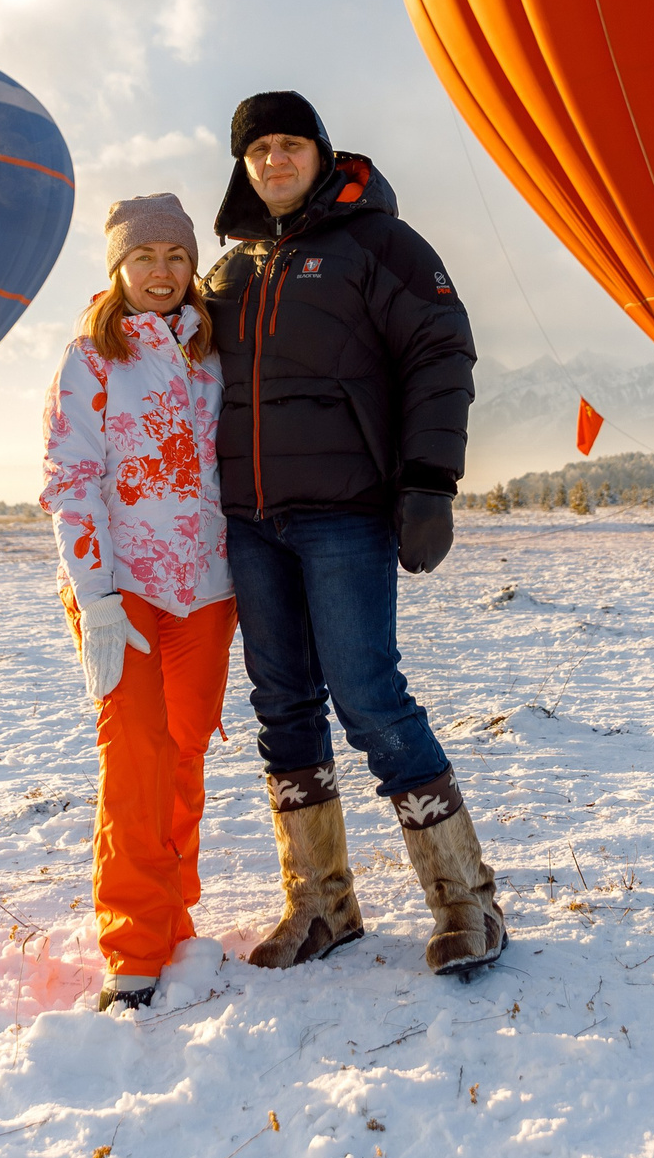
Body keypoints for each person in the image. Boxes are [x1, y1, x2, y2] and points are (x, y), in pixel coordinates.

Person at [203, 91, 501, 978]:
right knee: (281, 705)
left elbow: (441, 351)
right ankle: (322, 903)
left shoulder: (380, 246)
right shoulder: (232, 270)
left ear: (321, 151)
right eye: (258, 151)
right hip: (250, 519)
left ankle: (467, 901)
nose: (274, 162)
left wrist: (427, 482)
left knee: (369, 696)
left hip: (343, 511)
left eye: (290, 144)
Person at [40, 194, 236, 1013]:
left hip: (207, 586)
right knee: (135, 760)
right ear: (117, 267)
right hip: (125, 592)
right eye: (144, 256)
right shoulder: (92, 356)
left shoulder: (212, 353)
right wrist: (99, 597)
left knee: (186, 750)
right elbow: (70, 479)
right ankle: (133, 946)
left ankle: (176, 915)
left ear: (193, 266)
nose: (161, 272)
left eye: (176, 256)